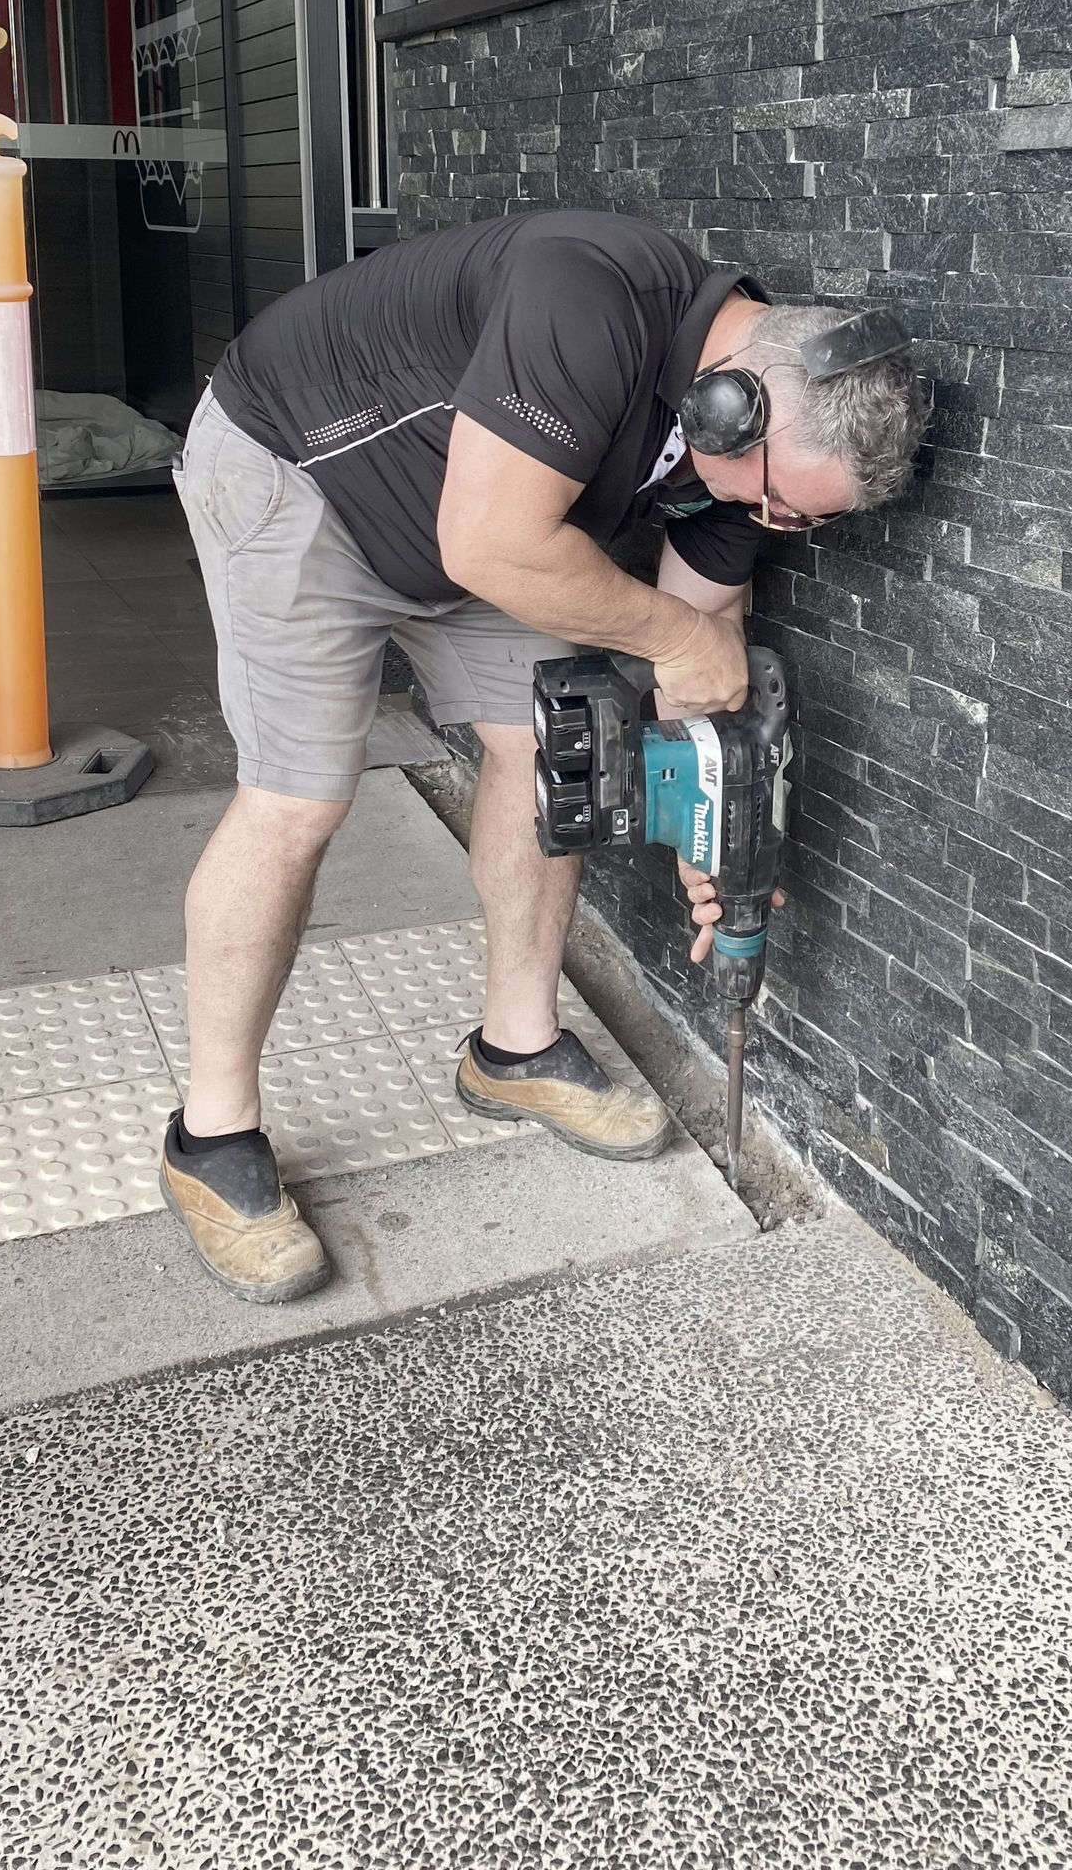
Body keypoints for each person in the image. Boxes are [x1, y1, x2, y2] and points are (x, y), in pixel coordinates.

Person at [158, 209, 928, 1302]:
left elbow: (690, 685)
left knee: (555, 740)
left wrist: (712, 833)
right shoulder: (589, 289)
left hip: (473, 523)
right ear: (731, 403)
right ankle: (212, 1133)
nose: (767, 520)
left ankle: (514, 1047)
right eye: (767, 496)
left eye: (795, 520)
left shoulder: (752, 481)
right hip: (304, 475)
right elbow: (506, 550)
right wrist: (678, 639)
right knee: (299, 797)